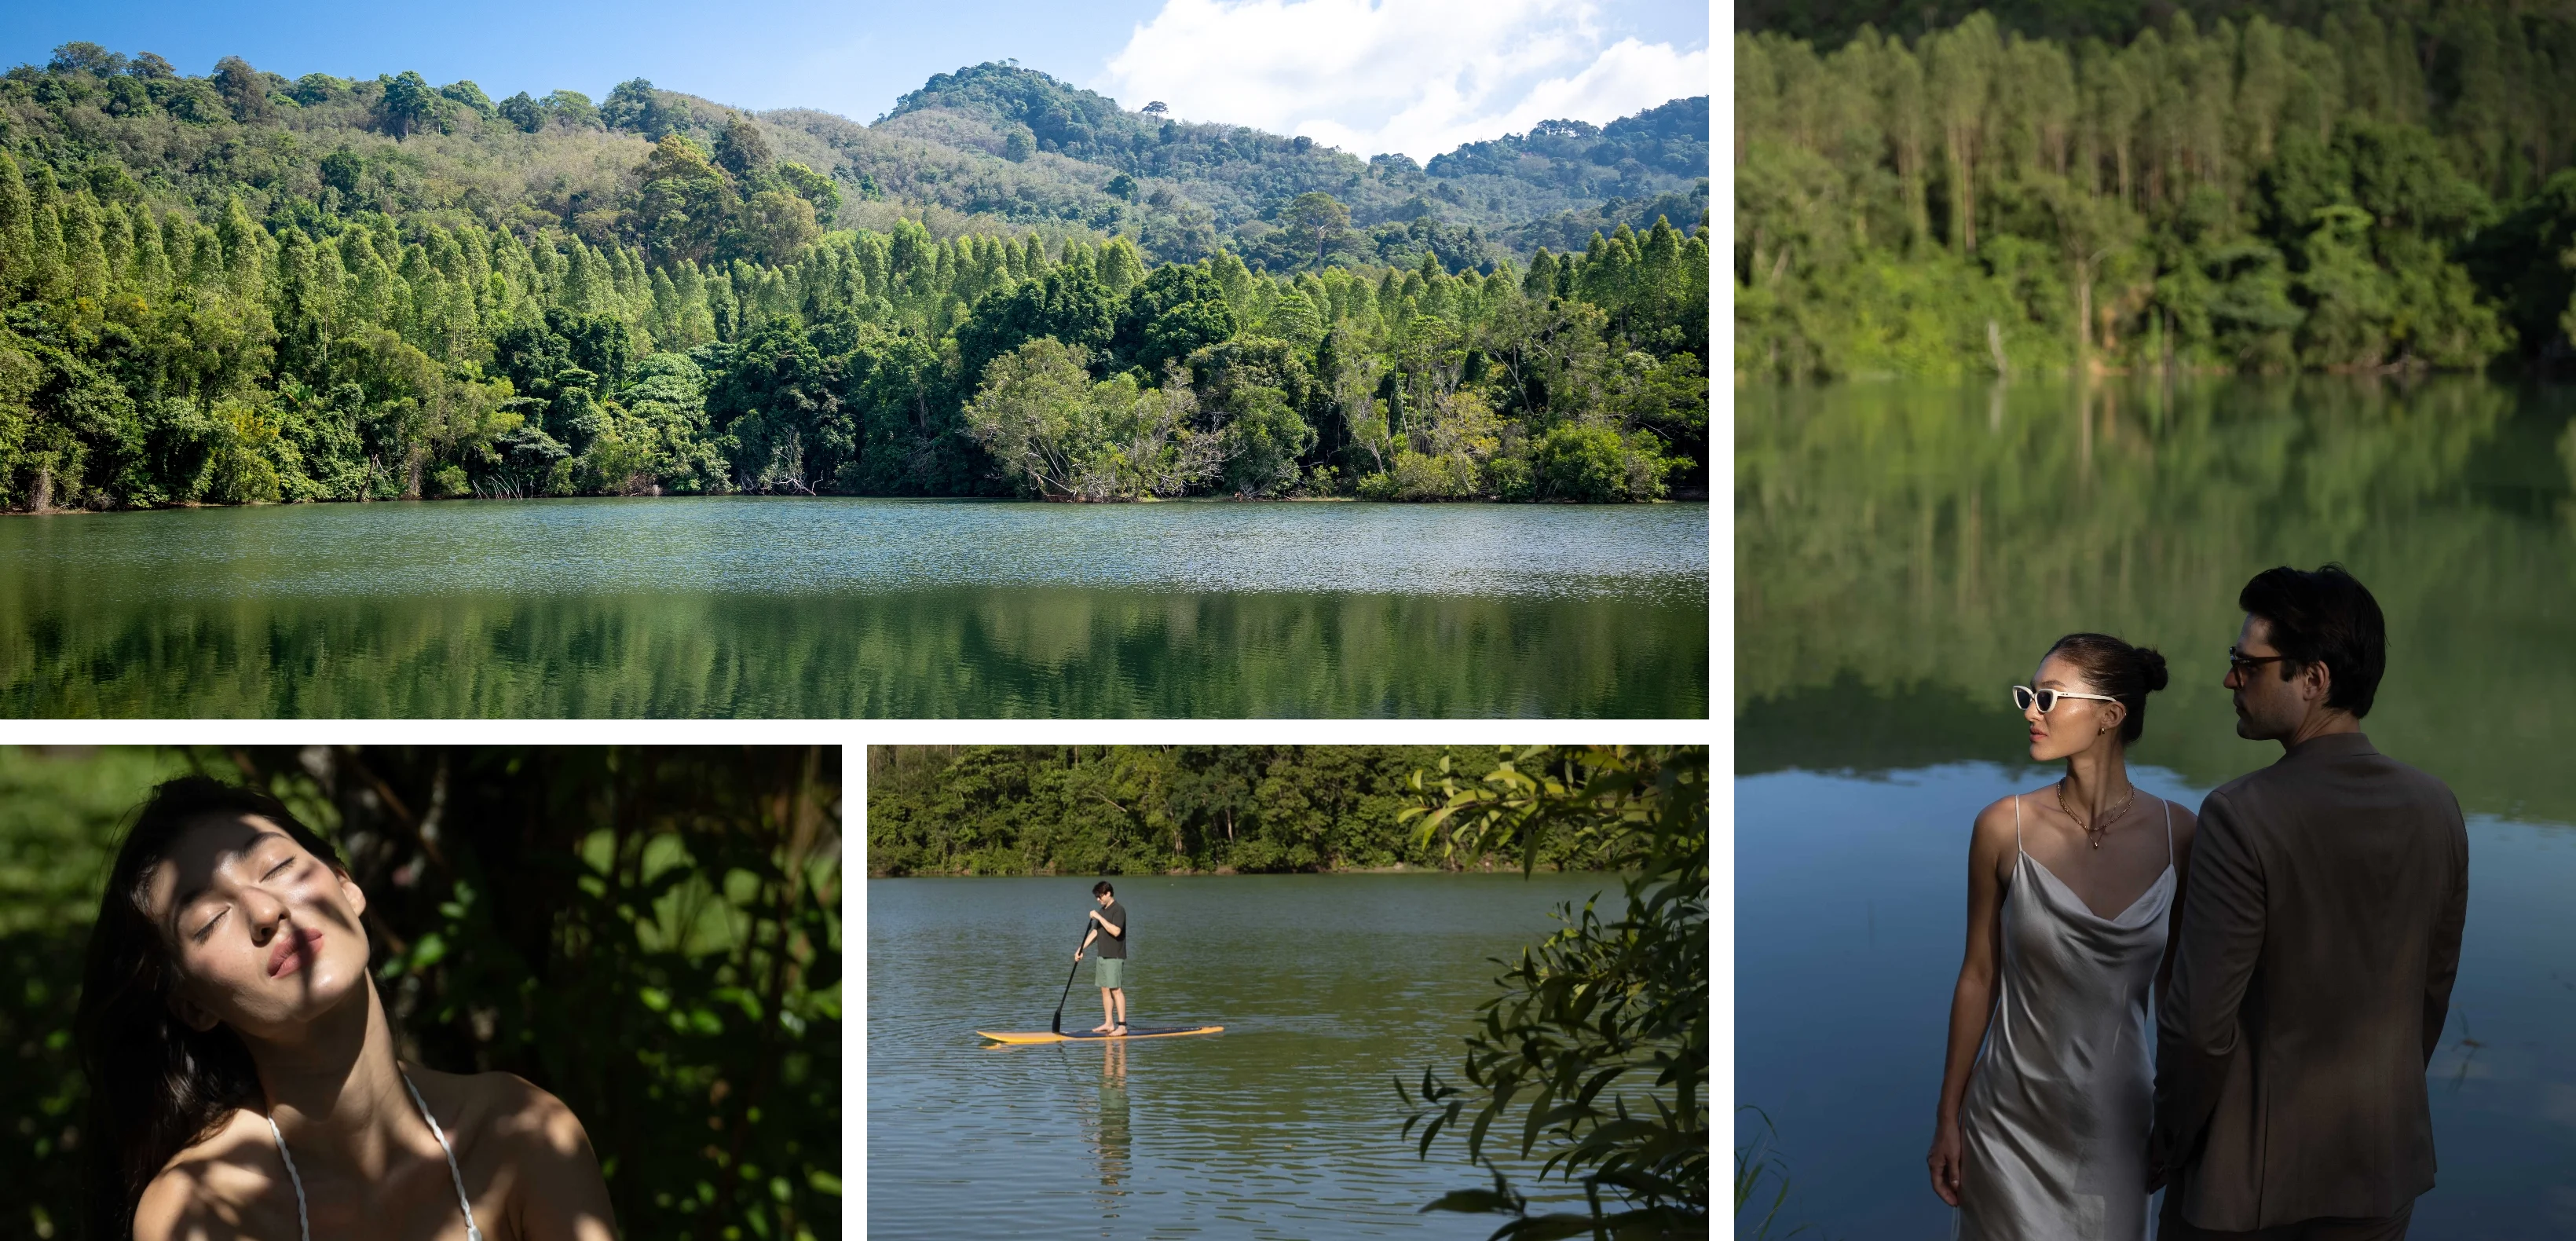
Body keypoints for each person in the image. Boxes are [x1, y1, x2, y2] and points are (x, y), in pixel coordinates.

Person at [73, 776, 620, 1241]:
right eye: (211, 920)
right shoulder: (199, 1208)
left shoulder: (522, 1134)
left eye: (278, 867)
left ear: (345, 885)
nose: (267, 910)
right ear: (193, 1005)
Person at [2149, 565, 2468, 1241]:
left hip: (2246, 1194)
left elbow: (2199, 1026)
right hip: (2380, 1176)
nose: (2232, 680)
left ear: (2314, 679)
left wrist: (2169, 1139)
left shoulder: (2241, 816)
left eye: (2248, 665)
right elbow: (2431, 997)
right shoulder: (2437, 809)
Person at [1930, 632, 2196, 1240]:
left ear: (2110, 715)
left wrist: (2176, 1114)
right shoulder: (2003, 827)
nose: (2030, 711)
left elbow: (2179, 996)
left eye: (2048, 698)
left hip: (2119, 1120)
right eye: (2029, 696)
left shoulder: (2180, 834)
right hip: (2007, 1119)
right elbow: (1979, 976)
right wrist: (1949, 1116)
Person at [1074, 881, 1129, 1035]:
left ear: (1108, 894)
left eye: (1100, 896)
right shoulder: (1103, 910)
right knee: (1105, 990)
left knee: (1116, 990)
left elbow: (1116, 931)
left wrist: (1098, 916)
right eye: (1096, 897)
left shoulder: (1118, 910)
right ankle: (1109, 1023)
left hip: (1115, 956)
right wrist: (1080, 948)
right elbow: (1096, 933)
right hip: (1102, 956)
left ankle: (1122, 1026)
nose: (1098, 899)